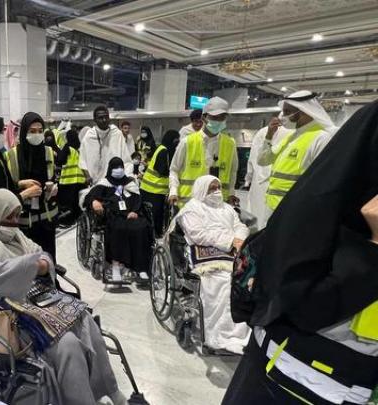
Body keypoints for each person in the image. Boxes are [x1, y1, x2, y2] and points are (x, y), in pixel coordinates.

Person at [222, 101, 378, 405]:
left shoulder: (318, 138)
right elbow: (302, 301)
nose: (286, 116)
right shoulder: (291, 142)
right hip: (292, 373)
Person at [0, 189, 127, 405]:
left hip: (34, 298)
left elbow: (39, 253)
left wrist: (42, 264)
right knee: (68, 344)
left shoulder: (15, 234)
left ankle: (110, 390)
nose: (15, 221)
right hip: (6, 310)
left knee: (85, 320)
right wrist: (15, 269)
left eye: (17, 215)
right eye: (9, 216)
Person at [177, 175, 250, 354]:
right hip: (204, 251)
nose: (217, 191)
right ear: (202, 189)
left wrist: (239, 238)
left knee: (246, 279)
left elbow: (240, 226)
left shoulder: (227, 208)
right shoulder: (191, 209)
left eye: (218, 187)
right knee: (224, 281)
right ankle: (220, 334)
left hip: (232, 249)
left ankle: (241, 333)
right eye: (212, 188)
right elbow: (198, 235)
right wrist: (229, 240)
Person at [258, 90, 337, 215]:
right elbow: (263, 161)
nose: (282, 116)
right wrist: (269, 136)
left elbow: (323, 180)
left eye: (287, 112)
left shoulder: (321, 138)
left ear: (303, 111)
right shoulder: (291, 137)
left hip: (295, 210)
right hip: (273, 206)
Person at [85, 157, 153, 284]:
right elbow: (89, 196)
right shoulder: (104, 184)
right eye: (116, 167)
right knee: (118, 228)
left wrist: (135, 211)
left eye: (121, 167)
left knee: (142, 227)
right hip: (114, 216)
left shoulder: (130, 184)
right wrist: (94, 201)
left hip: (132, 215)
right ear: (111, 169)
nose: (119, 170)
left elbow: (139, 200)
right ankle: (116, 265)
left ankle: (141, 268)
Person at [5, 112, 58, 260]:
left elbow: (53, 177)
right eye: (32, 131)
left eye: (40, 131)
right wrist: (22, 185)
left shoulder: (48, 152)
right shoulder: (12, 155)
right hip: (22, 223)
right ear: (24, 132)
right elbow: (7, 187)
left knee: (47, 261)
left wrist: (53, 189)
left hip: (47, 219)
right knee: (26, 264)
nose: (37, 135)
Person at [169, 97, 239, 207]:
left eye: (222, 117)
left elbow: (233, 171)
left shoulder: (230, 144)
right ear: (204, 118)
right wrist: (173, 191)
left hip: (218, 205)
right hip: (190, 205)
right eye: (215, 117)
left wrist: (231, 192)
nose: (219, 121)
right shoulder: (187, 142)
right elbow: (174, 169)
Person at [244, 119, 291, 228]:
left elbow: (252, 158)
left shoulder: (261, 132)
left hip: (258, 183)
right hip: (280, 183)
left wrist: (248, 179)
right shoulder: (292, 133)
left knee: (257, 217)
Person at [140, 130, 179, 238]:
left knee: (157, 216)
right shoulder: (164, 151)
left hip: (155, 190)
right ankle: (153, 237)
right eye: (175, 141)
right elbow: (161, 170)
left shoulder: (162, 148)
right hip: (152, 190)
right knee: (154, 216)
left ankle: (155, 235)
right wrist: (174, 173)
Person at [79, 106, 132, 184]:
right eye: (100, 118)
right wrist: (87, 176)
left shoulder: (117, 134)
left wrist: (128, 175)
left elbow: (126, 158)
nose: (104, 120)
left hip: (114, 181)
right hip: (95, 181)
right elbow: (82, 160)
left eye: (106, 117)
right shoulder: (89, 136)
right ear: (94, 120)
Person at [57, 128, 87, 225]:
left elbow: (60, 160)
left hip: (68, 181)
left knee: (69, 205)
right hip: (81, 181)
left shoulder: (67, 147)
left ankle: (69, 221)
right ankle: (78, 220)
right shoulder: (79, 148)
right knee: (78, 203)